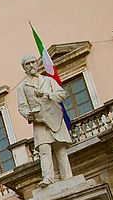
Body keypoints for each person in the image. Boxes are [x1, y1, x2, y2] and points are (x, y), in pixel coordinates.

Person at [17, 53, 73, 186]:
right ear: (23, 68)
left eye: (33, 62)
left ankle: (68, 178)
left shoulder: (48, 81)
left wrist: (46, 94)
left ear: (37, 63)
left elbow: (62, 94)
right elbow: (22, 106)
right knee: (44, 149)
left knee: (60, 150)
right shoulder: (22, 87)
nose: (31, 65)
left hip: (55, 119)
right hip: (39, 121)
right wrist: (28, 114)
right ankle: (48, 177)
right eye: (27, 64)